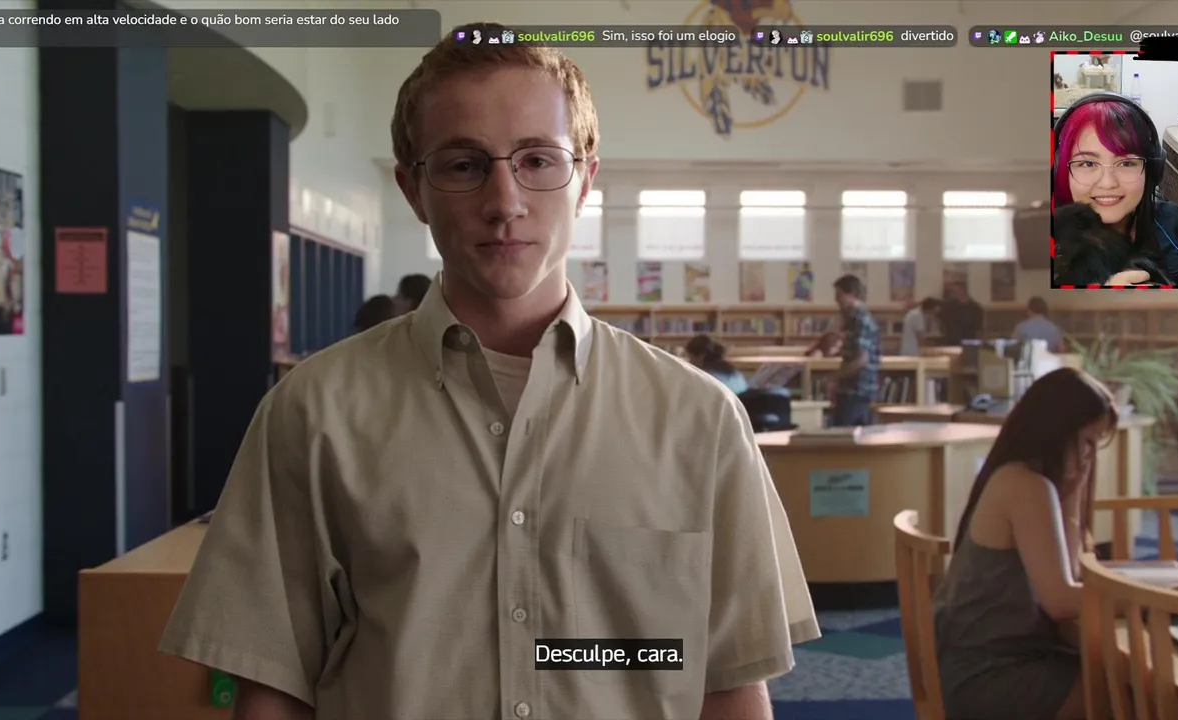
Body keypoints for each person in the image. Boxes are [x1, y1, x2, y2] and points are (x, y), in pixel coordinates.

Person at [158, 22, 818, 720]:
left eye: (538, 160)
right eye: (463, 165)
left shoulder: (699, 419)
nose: (504, 202)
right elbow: (273, 688)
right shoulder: (313, 412)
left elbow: (728, 683)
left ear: (585, 180)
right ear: (414, 190)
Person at [934, 367, 1118, 720]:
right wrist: (1155, 601)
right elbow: (1061, 601)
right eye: (1087, 442)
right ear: (1059, 433)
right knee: (1139, 692)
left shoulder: (1026, 479)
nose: (1090, 457)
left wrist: (1072, 489)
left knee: (1127, 681)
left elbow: (1070, 574)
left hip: (994, 660)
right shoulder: (1026, 486)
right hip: (989, 676)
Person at [1053, 93, 1178, 286]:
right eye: (1087, 163)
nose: (1107, 183)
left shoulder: (1174, 222)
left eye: (1126, 163)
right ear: (1060, 170)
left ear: (1152, 169)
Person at [830, 274, 881, 426]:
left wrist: (835, 377)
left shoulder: (859, 319)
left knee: (843, 435)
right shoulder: (856, 319)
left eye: (839, 295)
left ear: (851, 294)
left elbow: (861, 359)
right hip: (858, 390)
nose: (836, 300)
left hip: (856, 390)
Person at [684, 334, 749, 394]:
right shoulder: (733, 371)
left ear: (701, 356)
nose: (689, 362)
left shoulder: (707, 377)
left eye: (690, 358)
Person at [939, 281, 983, 346]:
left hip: (969, 342)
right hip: (951, 343)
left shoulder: (976, 308)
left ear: (964, 291)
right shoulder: (948, 307)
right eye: (953, 291)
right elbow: (943, 324)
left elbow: (979, 328)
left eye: (957, 291)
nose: (955, 293)